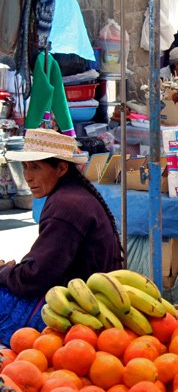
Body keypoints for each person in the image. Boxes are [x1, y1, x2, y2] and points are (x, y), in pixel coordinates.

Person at [0, 129, 122, 343]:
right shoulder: (71, 195)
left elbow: (33, 278)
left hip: (81, 310)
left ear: (62, 168)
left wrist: (5, 271)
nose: (28, 176)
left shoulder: (65, 205)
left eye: (36, 167)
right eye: (26, 166)